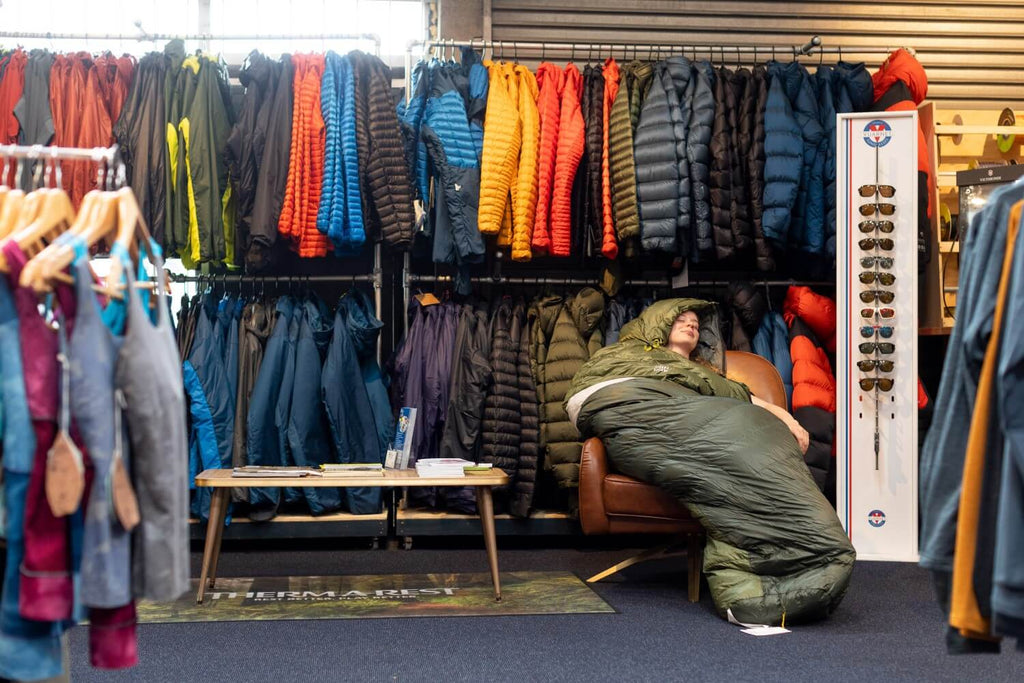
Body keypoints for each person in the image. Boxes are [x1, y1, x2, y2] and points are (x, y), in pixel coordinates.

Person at [565, 298, 855, 626]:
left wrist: (783, 417)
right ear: (657, 325)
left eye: (696, 323)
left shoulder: (704, 374)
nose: (691, 325)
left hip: (699, 425)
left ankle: (753, 582)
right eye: (681, 320)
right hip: (632, 410)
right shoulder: (626, 355)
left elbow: (741, 399)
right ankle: (772, 578)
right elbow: (589, 389)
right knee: (746, 429)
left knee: (752, 435)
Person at [665, 309, 810, 453]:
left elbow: (764, 405)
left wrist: (792, 423)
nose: (690, 325)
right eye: (681, 321)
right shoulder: (646, 365)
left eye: (695, 326)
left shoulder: (708, 376)